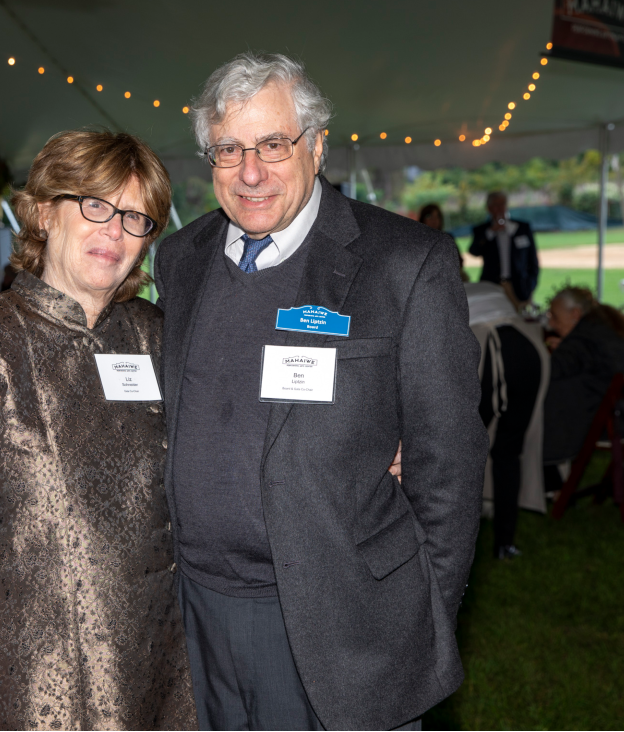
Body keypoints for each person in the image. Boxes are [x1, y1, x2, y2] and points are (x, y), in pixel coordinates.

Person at [154, 53, 486, 731]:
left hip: (340, 623)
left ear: (318, 146)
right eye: (229, 149)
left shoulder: (404, 264)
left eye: (274, 144)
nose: (251, 172)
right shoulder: (180, 259)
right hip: (196, 612)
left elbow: (448, 464)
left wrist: (416, 619)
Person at [0, 130, 196, 731]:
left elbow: (234, 429)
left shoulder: (158, 336)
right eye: (96, 205)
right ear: (42, 213)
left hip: (164, 666)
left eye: (136, 217)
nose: (115, 230)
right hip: (29, 679)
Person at [465, 281, 548, 559]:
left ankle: (454, 541)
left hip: (487, 353)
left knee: (462, 454)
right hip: (528, 351)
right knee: (508, 453)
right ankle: (505, 543)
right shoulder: (490, 288)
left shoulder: (441, 287)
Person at [543, 286, 624, 464]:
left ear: (575, 313)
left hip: (609, 422)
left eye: (555, 317)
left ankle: (551, 473)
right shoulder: (604, 328)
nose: (551, 324)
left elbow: (551, 370)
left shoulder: (583, 339)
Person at [469, 191, 539, 306]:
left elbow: (533, 259)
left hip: (519, 285)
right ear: (489, 208)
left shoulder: (521, 228)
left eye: (503, 204)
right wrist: (491, 232)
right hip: (492, 285)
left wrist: (531, 283)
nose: (500, 208)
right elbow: (474, 251)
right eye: (496, 205)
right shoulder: (482, 230)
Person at [419, 202, 468, 282]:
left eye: (437, 216)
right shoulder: (416, 240)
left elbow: (458, 261)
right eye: (430, 216)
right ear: (423, 219)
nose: (434, 220)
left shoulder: (447, 238)